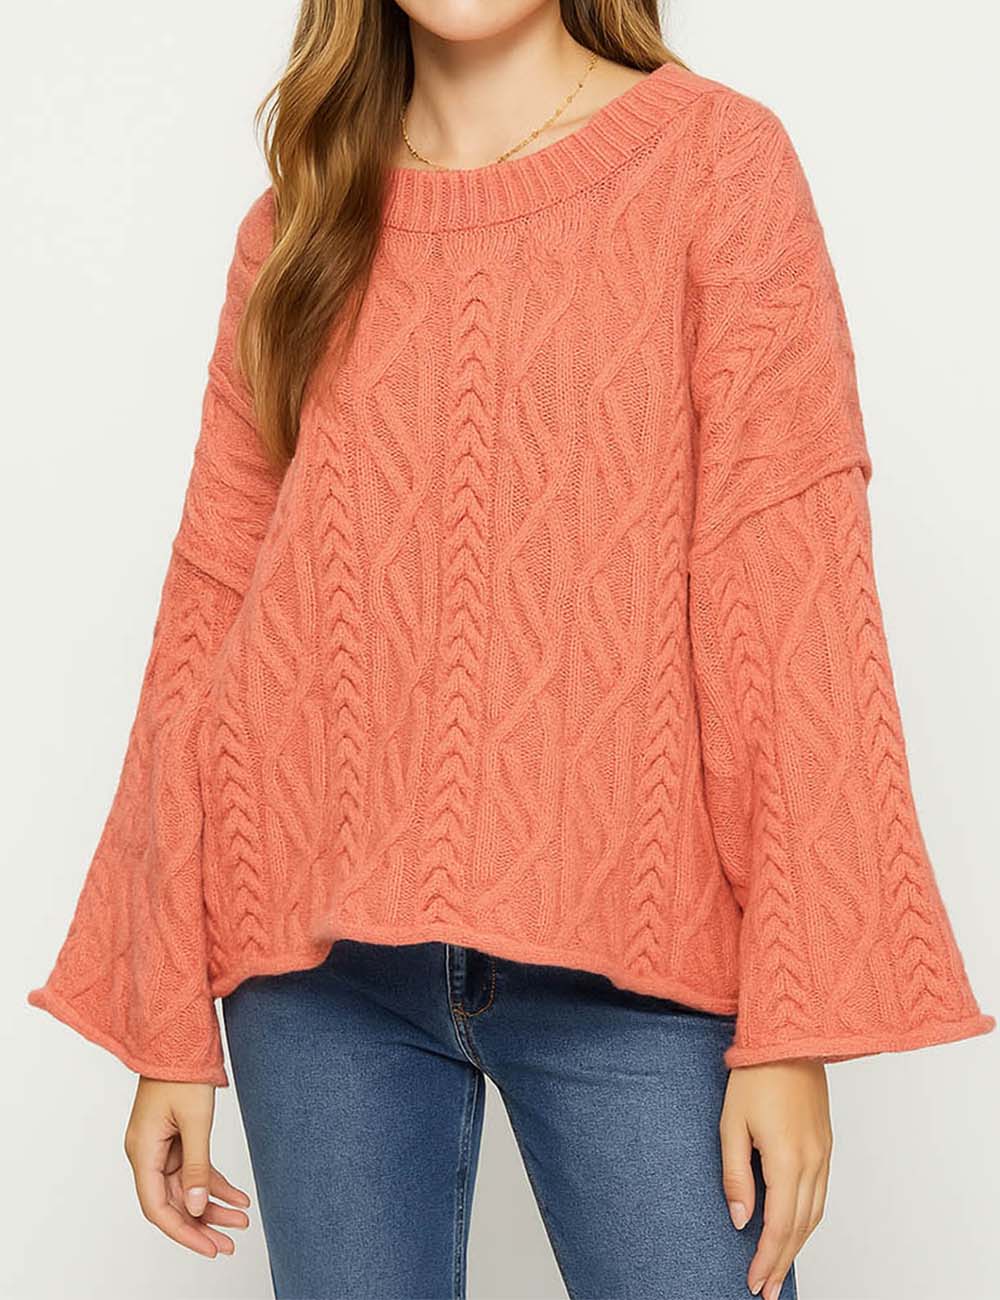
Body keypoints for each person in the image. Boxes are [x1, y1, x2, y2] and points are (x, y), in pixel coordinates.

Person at [28, 3, 994, 1298]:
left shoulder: (715, 165)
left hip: (640, 967)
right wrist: (163, 1016)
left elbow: (791, 594)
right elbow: (210, 613)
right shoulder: (300, 220)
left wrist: (793, 1018)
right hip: (315, 976)